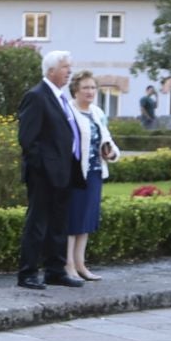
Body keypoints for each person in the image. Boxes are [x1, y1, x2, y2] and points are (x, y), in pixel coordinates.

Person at [16, 50, 87, 291]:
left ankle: (55, 271)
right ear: (51, 70)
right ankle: (27, 273)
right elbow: (28, 139)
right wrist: (44, 168)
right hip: (44, 174)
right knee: (37, 223)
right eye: (65, 67)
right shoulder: (37, 96)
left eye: (70, 66)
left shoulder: (60, 97)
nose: (69, 71)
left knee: (59, 223)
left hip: (64, 172)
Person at [65, 70, 119, 282]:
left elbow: (107, 138)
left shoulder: (97, 112)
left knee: (87, 219)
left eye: (93, 88)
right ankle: (68, 264)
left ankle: (81, 264)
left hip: (95, 171)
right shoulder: (68, 111)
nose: (90, 92)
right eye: (85, 88)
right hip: (76, 173)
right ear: (75, 91)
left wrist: (111, 152)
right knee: (72, 219)